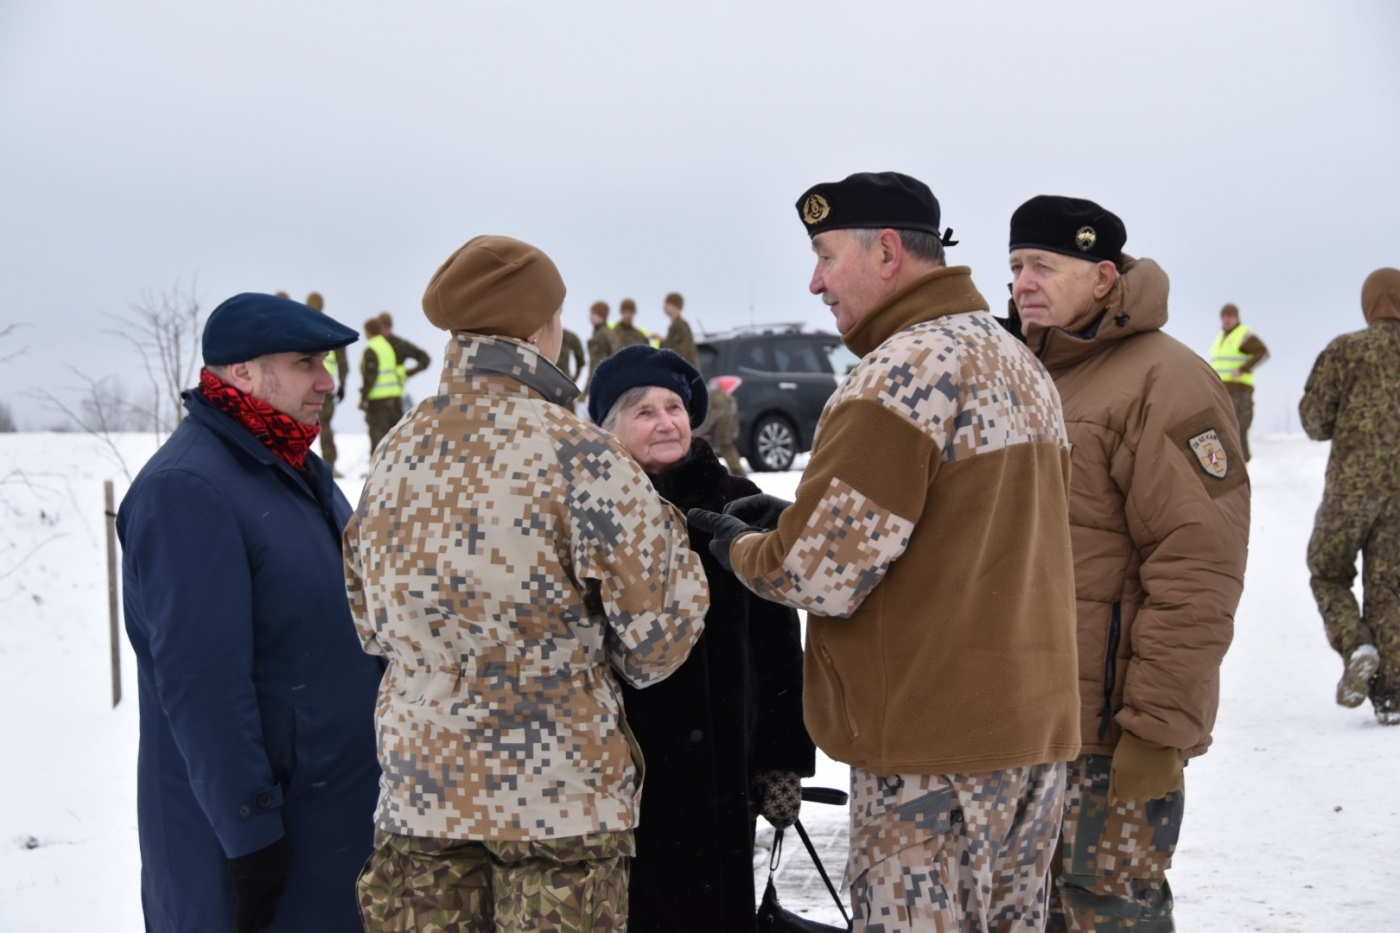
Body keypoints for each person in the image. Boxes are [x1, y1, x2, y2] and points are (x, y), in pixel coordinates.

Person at [690, 171, 1081, 931]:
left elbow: (819, 574)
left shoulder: (899, 372)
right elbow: (957, 529)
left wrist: (744, 548)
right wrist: (793, 518)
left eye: (827, 256)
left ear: (889, 252)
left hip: (932, 755)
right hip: (1033, 737)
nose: (815, 282)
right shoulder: (1016, 360)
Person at [346, 235, 711, 933]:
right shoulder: (579, 455)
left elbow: (369, 621)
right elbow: (657, 641)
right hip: (559, 807)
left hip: (421, 796)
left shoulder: (395, 452)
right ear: (541, 325)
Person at [1006, 195, 1251, 930]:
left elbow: (1198, 568)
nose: (1023, 281)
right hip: (1021, 727)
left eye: (1044, 265)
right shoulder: (1024, 373)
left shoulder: (1164, 380)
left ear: (1105, 277)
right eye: (1016, 265)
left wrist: (1156, 728)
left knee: (1108, 914)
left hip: (1110, 735)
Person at [117, 293, 383, 933]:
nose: (328, 381)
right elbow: (202, 684)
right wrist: (251, 834)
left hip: (326, 822)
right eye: (306, 363)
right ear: (241, 373)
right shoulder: (188, 490)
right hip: (250, 838)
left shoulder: (295, 468)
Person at [587, 345, 814, 933]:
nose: (666, 422)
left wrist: (782, 757)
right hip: (631, 776)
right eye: (644, 411)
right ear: (611, 427)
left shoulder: (735, 497)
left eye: (675, 407)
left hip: (724, 769)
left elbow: (778, 639)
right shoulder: (594, 512)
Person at [1300, 267, 1400, 726]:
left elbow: (1315, 422)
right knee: (1390, 591)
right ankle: (1392, 696)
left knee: (1328, 573)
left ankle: (1356, 643)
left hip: (1349, 492)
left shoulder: (1346, 350)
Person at [1210, 302, 1269, 461]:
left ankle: (1242, 467)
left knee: (1238, 429)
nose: (1227, 320)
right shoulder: (1221, 337)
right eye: (1224, 317)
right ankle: (1228, 469)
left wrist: (1243, 369)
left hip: (1240, 392)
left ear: (1237, 317)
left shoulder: (1244, 335)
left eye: (1230, 316)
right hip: (1222, 390)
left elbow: (1263, 353)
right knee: (1222, 429)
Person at [306, 291, 349, 477]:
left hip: (300, 386)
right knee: (325, 427)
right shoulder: (331, 328)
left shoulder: (299, 326)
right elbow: (343, 362)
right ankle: (329, 466)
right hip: (325, 388)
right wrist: (342, 385)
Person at [359, 316, 403, 453]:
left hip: (378, 401)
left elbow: (370, 376)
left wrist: (363, 398)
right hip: (394, 398)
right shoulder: (387, 346)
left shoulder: (372, 348)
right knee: (395, 438)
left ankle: (377, 472)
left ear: (368, 331)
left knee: (378, 438)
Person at [583, 299, 618, 397]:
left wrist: (587, 390)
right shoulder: (601, 333)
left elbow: (597, 364)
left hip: (604, 384)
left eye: (593, 313)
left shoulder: (603, 334)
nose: (590, 317)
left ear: (600, 315)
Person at [658, 291, 699, 366]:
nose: (664, 307)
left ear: (675, 306)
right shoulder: (675, 325)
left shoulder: (681, 326)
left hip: (684, 372)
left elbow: (681, 351)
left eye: (667, 304)